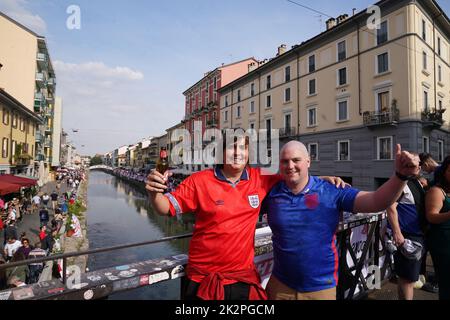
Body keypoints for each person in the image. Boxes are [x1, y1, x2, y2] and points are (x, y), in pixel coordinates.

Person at [146, 133, 346, 300]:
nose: (238, 153)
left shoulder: (260, 177)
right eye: (232, 147)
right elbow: (164, 208)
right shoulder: (199, 180)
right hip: (202, 279)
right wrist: (154, 192)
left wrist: (320, 179)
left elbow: (293, 176)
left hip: (242, 279)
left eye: (243, 148)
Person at [262, 141, 419, 300]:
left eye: (296, 160)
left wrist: (400, 176)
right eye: (284, 161)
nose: (290, 165)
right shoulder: (271, 191)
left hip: (319, 288)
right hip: (279, 285)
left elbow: (376, 201)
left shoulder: (332, 190)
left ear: (308, 161)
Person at [386, 169, 427, 300]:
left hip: (414, 235)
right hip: (408, 237)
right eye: (413, 165)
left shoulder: (415, 183)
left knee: (405, 278)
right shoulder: (402, 183)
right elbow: (391, 207)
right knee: (407, 280)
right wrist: (397, 233)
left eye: (418, 164)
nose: (418, 168)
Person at [425, 155, 450, 300]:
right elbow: (431, 217)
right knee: (447, 281)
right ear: (444, 172)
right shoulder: (436, 191)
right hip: (443, 242)